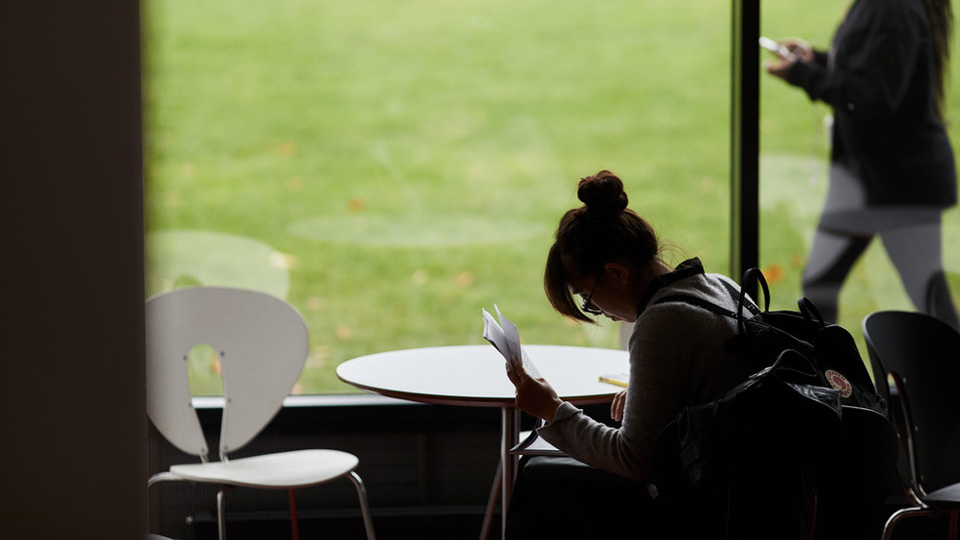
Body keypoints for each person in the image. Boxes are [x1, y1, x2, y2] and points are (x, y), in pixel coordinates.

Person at [503, 170, 756, 537]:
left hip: (708, 503)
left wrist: (552, 410)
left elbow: (633, 459)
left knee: (534, 480)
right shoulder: (720, 286)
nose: (598, 311)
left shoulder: (662, 322)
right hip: (755, 483)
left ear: (616, 273)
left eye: (587, 299)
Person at [764, 0, 959, 329]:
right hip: (870, 179)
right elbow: (870, 71)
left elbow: (874, 98)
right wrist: (815, 60)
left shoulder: (894, 8)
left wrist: (803, 75)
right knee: (821, 285)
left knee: (928, 298)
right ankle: (833, 377)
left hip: (899, 185)